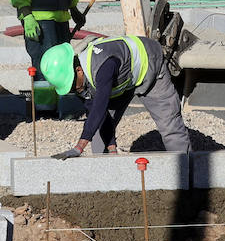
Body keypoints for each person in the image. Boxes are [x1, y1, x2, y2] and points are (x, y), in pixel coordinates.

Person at [41, 35, 192, 158]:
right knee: (99, 137)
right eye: (70, 89)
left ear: (79, 70)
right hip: (121, 80)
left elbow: (100, 106)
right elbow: (98, 115)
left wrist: (79, 147)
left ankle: (188, 176)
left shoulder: (103, 66)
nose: (75, 89)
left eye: (73, 85)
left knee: (170, 127)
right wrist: (111, 146)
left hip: (149, 65)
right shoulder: (81, 82)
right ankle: (104, 182)